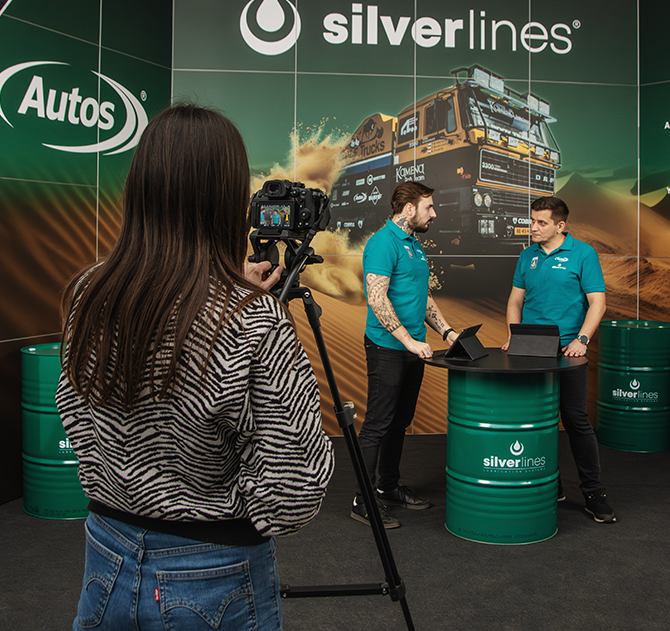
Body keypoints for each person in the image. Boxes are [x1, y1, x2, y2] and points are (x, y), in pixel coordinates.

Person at [56, 103, 335, 631]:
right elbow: (293, 490)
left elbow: (75, 413)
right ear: (226, 198)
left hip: (105, 556)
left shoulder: (88, 292)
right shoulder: (255, 320)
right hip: (213, 571)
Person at [502, 196, 616, 523]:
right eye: (532, 221)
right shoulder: (527, 256)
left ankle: (594, 493)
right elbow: (515, 301)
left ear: (560, 225)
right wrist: (514, 334)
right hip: (531, 350)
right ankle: (551, 483)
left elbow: (597, 303)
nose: (533, 227)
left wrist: (582, 339)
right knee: (536, 419)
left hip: (568, 350)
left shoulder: (583, 254)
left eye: (541, 222)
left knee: (575, 419)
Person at [355, 181, 459, 529]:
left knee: (400, 421)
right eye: (429, 207)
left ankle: (387, 486)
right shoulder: (382, 243)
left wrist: (447, 332)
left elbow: (422, 297)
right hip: (387, 347)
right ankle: (362, 499)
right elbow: (377, 298)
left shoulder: (414, 245)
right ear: (409, 208)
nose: (434, 213)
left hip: (414, 348)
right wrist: (408, 341)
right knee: (378, 423)